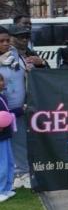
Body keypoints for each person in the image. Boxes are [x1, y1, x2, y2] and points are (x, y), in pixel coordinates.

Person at [0, 27, 29, 190]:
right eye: (1, 41)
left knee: (20, 141)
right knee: (3, 145)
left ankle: (22, 173)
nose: (5, 43)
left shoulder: (16, 54)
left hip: (19, 106)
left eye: (7, 40)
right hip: (3, 109)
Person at [0, 74, 18, 202]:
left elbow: (7, 114)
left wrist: (20, 110)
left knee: (9, 162)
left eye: (1, 80)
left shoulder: (2, 97)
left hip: (6, 135)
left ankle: (7, 187)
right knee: (2, 164)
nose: (1, 83)